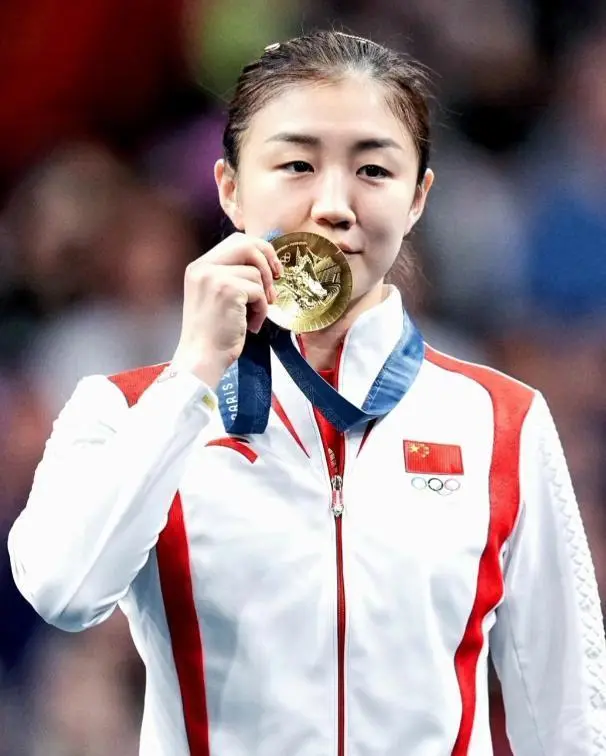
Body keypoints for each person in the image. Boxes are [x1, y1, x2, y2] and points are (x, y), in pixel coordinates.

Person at [7, 30, 606, 755]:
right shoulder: (127, 412)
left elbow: (568, 725)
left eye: (374, 170)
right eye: (296, 164)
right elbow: (64, 592)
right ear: (230, 188)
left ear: (418, 198)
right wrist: (193, 374)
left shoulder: (502, 422)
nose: (334, 204)